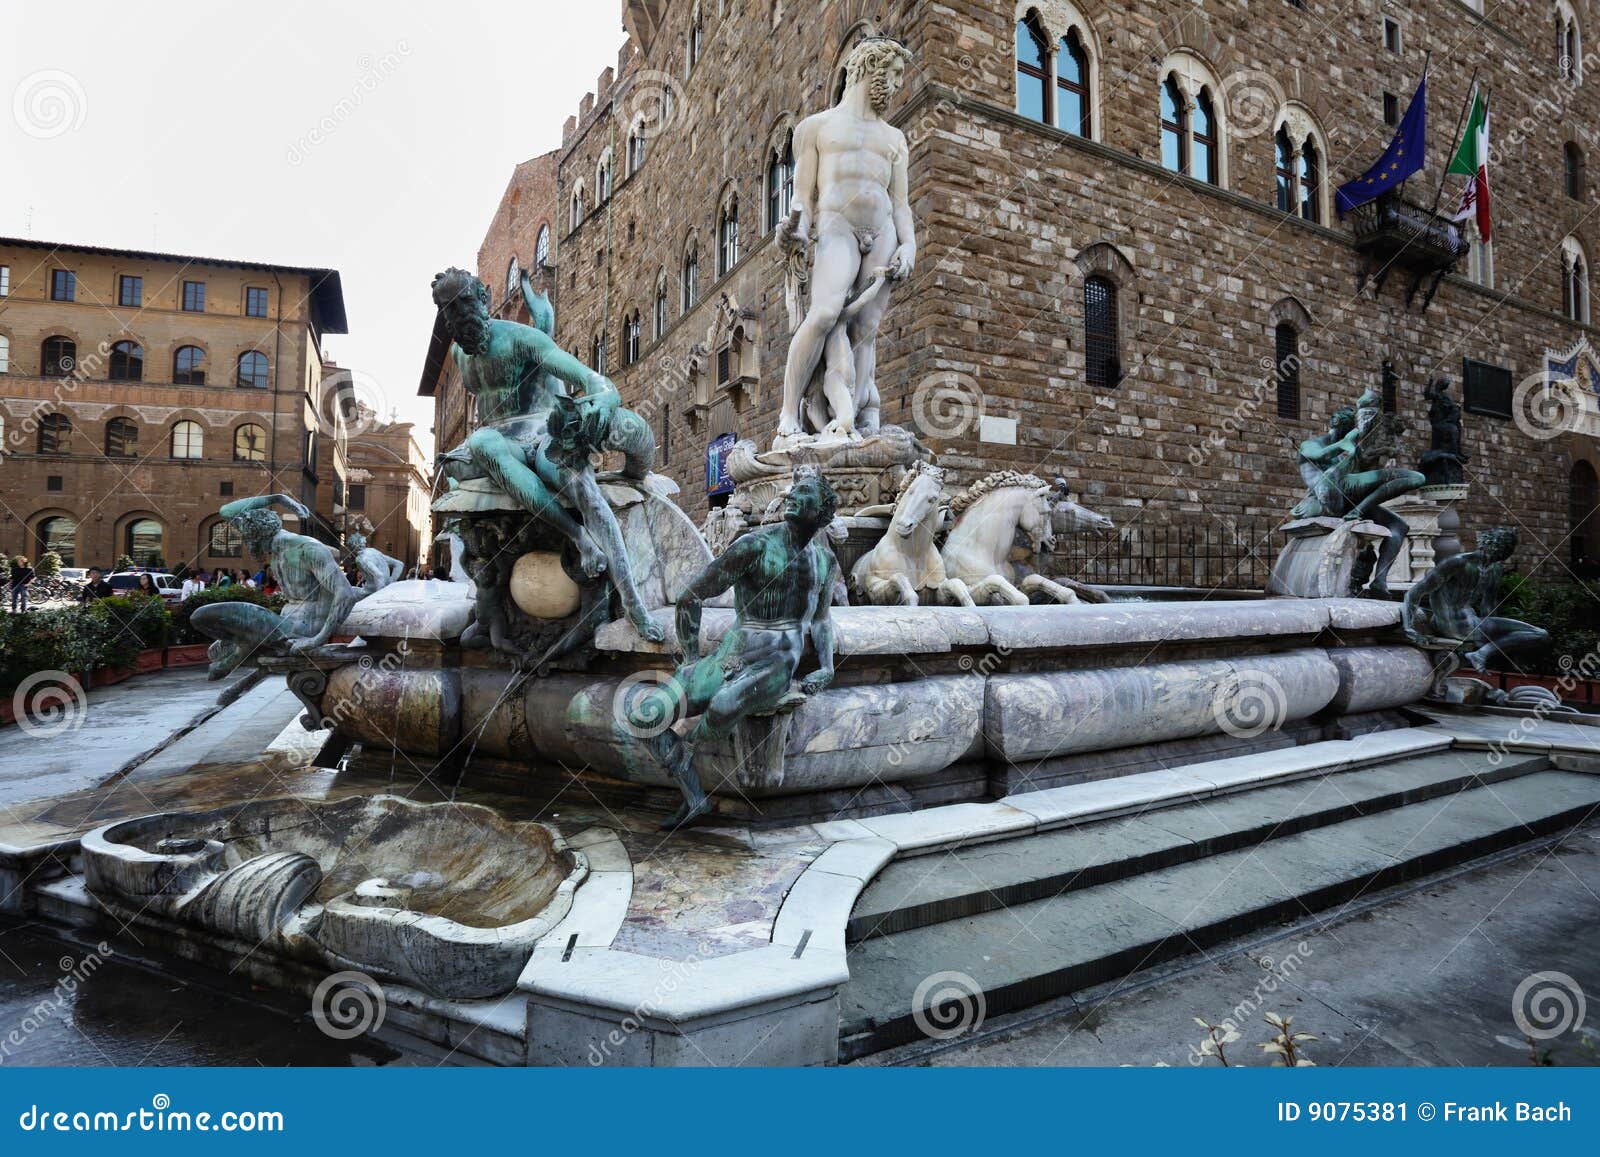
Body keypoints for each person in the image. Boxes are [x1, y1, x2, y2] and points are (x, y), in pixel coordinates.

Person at [628, 471, 840, 829]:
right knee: (645, 716)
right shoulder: (754, 545)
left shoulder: (825, 562)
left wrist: (827, 666)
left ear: (821, 512)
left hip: (779, 659)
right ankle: (695, 798)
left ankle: (684, 753)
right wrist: (693, 657)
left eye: (802, 493)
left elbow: (820, 620)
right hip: (732, 652)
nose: (790, 495)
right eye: (792, 489)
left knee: (724, 705)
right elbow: (690, 596)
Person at [775, 37, 916, 444]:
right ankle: (789, 414)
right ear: (869, 68)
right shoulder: (816, 128)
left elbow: (901, 205)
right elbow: (804, 198)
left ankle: (853, 418)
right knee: (823, 314)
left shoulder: (894, 138)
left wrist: (909, 246)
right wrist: (795, 230)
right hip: (836, 227)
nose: (896, 85)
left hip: (884, 232)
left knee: (866, 328)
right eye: (893, 75)